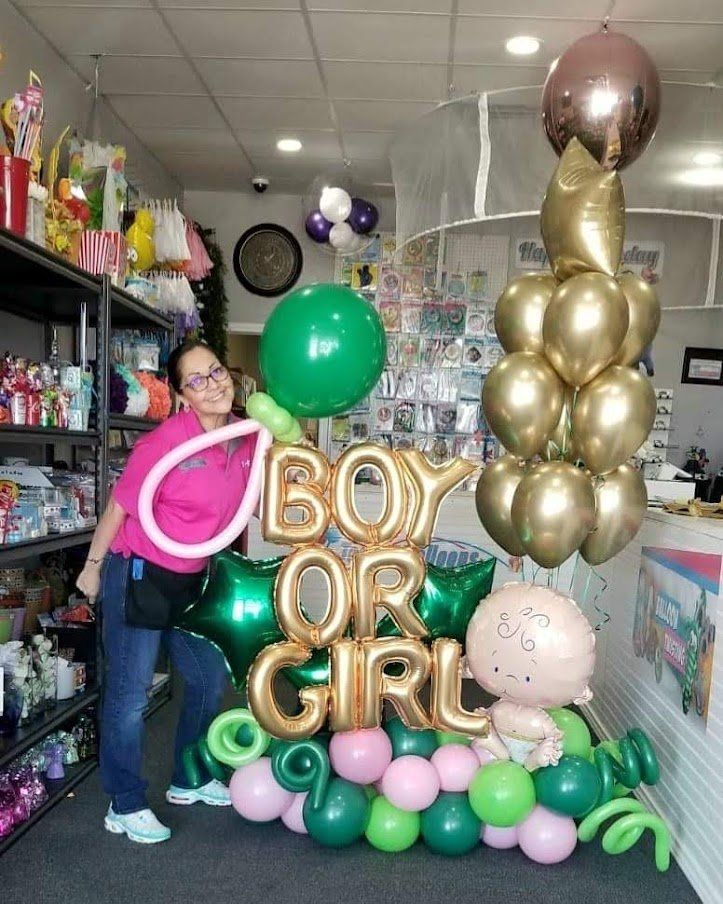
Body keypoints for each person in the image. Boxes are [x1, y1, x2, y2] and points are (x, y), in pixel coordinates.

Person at [76, 340, 256, 844]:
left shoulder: (246, 438)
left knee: (206, 677)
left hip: (194, 577)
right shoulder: (164, 444)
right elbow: (119, 506)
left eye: (215, 371)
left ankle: (188, 778)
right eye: (196, 380)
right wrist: (92, 567)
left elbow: (251, 502)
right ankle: (125, 803)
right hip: (141, 572)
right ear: (181, 395)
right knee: (131, 694)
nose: (212, 384)